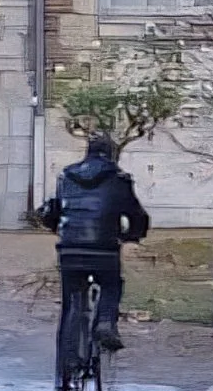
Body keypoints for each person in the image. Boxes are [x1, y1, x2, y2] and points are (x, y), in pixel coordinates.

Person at [34, 131, 150, 356]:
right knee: (111, 284)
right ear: (112, 154)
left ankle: (67, 362)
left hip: (70, 249)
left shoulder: (66, 176)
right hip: (104, 248)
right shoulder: (119, 179)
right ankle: (105, 322)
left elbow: (54, 211)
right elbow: (137, 215)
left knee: (70, 303)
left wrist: (59, 230)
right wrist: (132, 236)